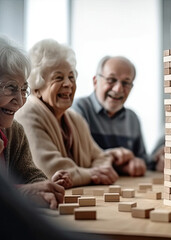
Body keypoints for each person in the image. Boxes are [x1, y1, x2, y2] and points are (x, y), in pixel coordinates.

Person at [15, 39, 121, 187]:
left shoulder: (75, 119)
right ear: (36, 88)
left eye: (71, 77)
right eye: (58, 77)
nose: (68, 84)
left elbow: (101, 157)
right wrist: (91, 174)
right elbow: (51, 171)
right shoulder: (26, 115)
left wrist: (89, 172)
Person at [0, 36, 65, 209]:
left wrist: (45, 188)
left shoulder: (14, 131)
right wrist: (23, 192)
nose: (20, 101)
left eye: (23, 89)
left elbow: (32, 177)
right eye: (11, 88)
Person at [72, 56, 147, 175]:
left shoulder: (133, 118)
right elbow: (77, 160)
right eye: (111, 80)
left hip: (126, 189)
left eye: (126, 83)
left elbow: (143, 159)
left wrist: (139, 163)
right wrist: (114, 158)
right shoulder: (79, 109)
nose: (118, 89)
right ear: (95, 81)